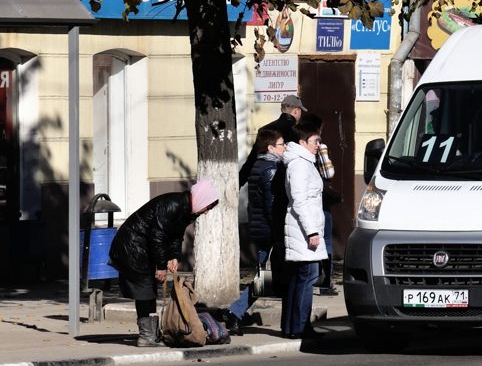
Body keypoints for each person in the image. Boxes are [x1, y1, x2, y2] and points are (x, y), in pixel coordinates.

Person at [108, 180, 220, 347]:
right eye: (208, 207)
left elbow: (175, 235)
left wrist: (174, 257)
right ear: (202, 199)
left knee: (148, 290)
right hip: (132, 246)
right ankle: (146, 336)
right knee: (144, 290)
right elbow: (157, 236)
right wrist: (161, 266)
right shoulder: (173, 205)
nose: (206, 212)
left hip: (142, 247)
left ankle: (150, 335)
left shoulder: (187, 209)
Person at [227, 127, 286, 331]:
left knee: (271, 278)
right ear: (271, 148)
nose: (285, 148)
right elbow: (272, 206)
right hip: (270, 232)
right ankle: (234, 312)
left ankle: (292, 322)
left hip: (262, 229)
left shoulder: (259, 165)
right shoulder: (270, 169)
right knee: (266, 279)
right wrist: (280, 234)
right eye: (281, 144)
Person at [281, 121, 329, 339]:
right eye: (315, 141)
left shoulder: (304, 161)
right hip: (304, 230)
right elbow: (299, 201)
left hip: (304, 229)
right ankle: (300, 327)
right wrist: (312, 231)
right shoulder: (300, 164)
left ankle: (293, 327)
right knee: (307, 277)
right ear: (302, 142)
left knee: (300, 278)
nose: (318, 144)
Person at [301, 111, 340, 296]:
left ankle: (314, 279)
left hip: (306, 201)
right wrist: (323, 151)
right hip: (320, 201)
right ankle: (325, 283)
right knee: (326, 242)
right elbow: (329, 174)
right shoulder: (319, 146)